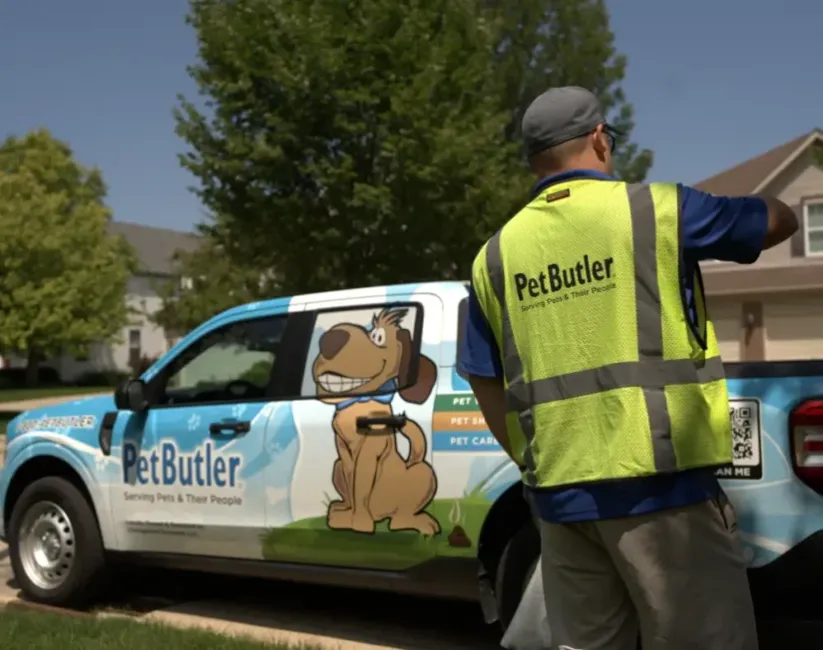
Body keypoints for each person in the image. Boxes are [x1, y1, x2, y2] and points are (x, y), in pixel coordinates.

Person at [459, 86, 798, 650]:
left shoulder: (495, 255)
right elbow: (774, 222)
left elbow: (482, 375)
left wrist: (534, 463)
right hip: (663, 495)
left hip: (563, 504)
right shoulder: (656, 210)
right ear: (598, 139)